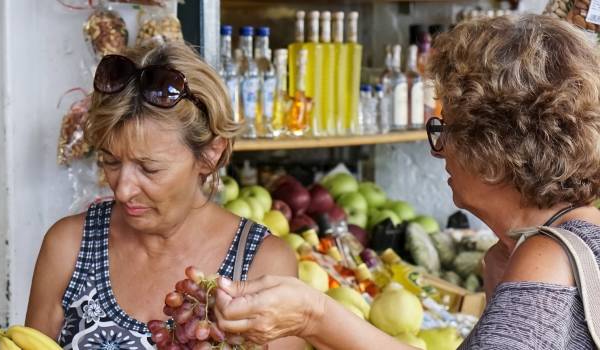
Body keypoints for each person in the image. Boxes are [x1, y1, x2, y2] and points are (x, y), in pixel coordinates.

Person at [213, 14, 600, 350]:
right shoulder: (578, 233)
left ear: (492, 155)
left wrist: (315, 316)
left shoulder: (545, 258)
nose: (439, 151)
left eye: (444, 130)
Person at [25, 42, 304, 349]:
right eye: (112, 161)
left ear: (210, 154)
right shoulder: (69, 246)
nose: (122, 188)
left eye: (149, 168)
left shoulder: (262, 264)